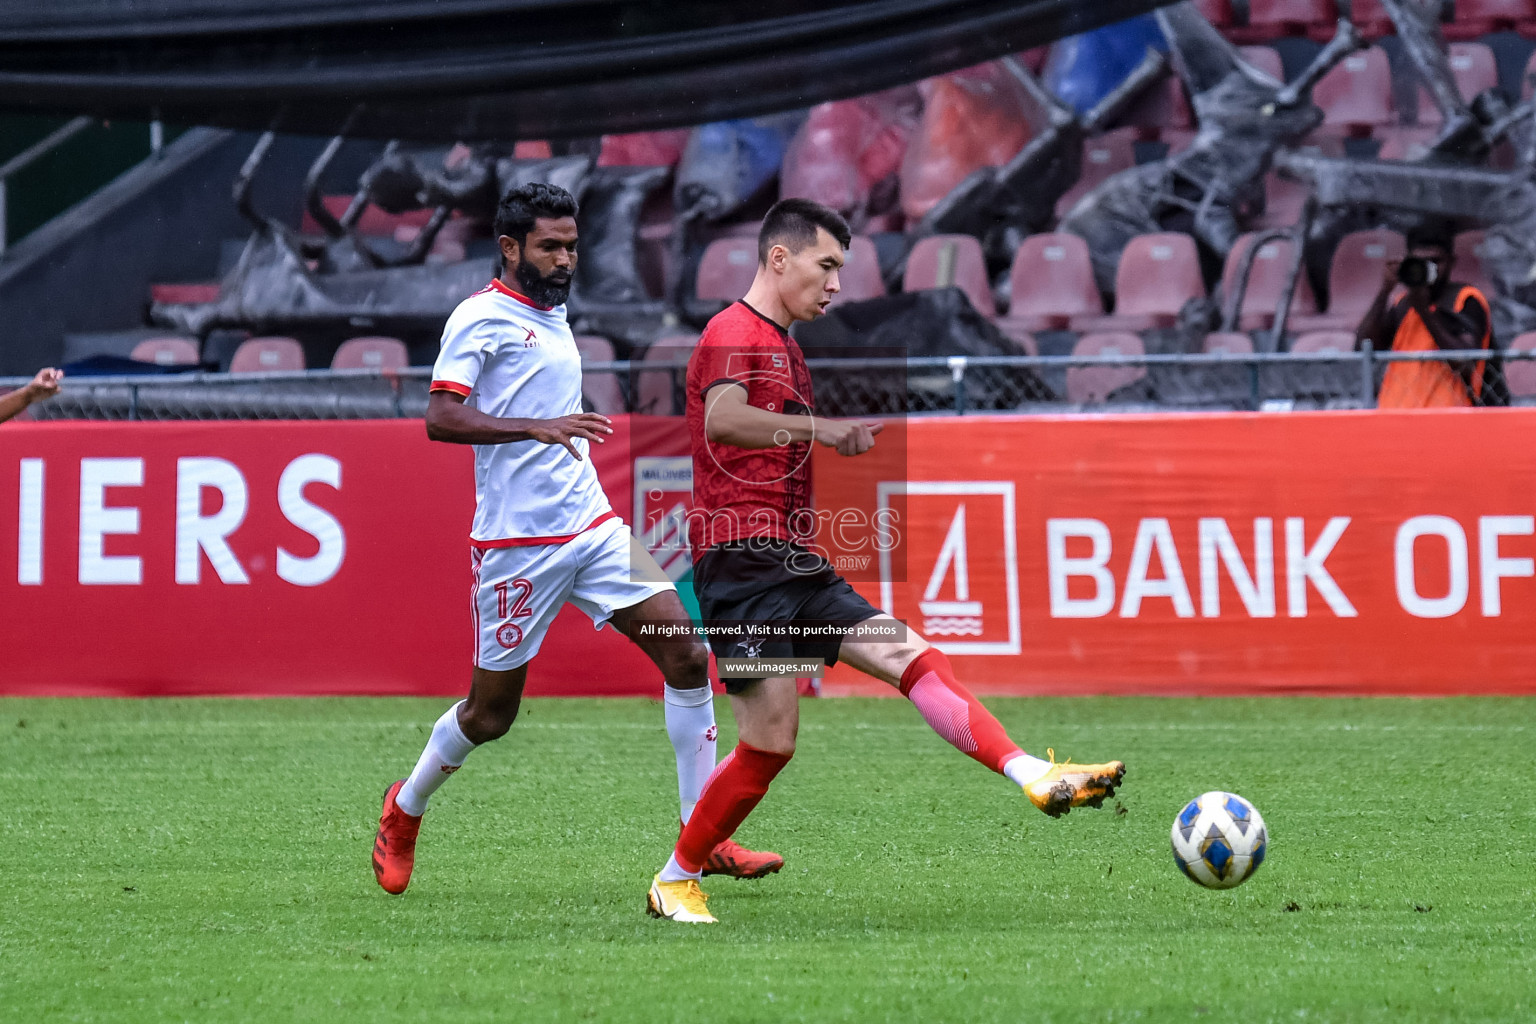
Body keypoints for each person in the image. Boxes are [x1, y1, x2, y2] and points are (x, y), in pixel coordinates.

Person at [644, 197, 1127, 925]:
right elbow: (722, 418)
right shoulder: (729, 332)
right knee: (769, 744)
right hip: (740, 560)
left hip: (788, 557)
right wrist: (823, 431)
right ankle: (675, 877)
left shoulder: (786, 343)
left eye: (842, 268)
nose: (836, 284)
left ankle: (1031, 771)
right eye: (827, 264)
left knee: (909, 654)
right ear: (780, 259)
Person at [371, 183, 781, 895]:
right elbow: (440, 416)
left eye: (571, 246)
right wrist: (537, 425)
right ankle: (404, 809)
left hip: (592, 526)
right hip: (516, 547)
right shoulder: (480, 319)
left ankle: (705, 837)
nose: (565, 259)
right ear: (510, 248)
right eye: (549, 247)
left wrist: (552, 423)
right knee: (490, 715)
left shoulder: (551, 310)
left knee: (686, 654)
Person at [1356, 225, 1491, 408]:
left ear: (1451, 261)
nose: (1429, 269)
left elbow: (1465, 362)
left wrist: (1424, 312)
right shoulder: (1403, 303)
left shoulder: (1465, 299)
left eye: (1435, 261)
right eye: (1420, 262)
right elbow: (1364, 344)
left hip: (1447, 419)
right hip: (1394, 416)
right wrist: (1385, 291)